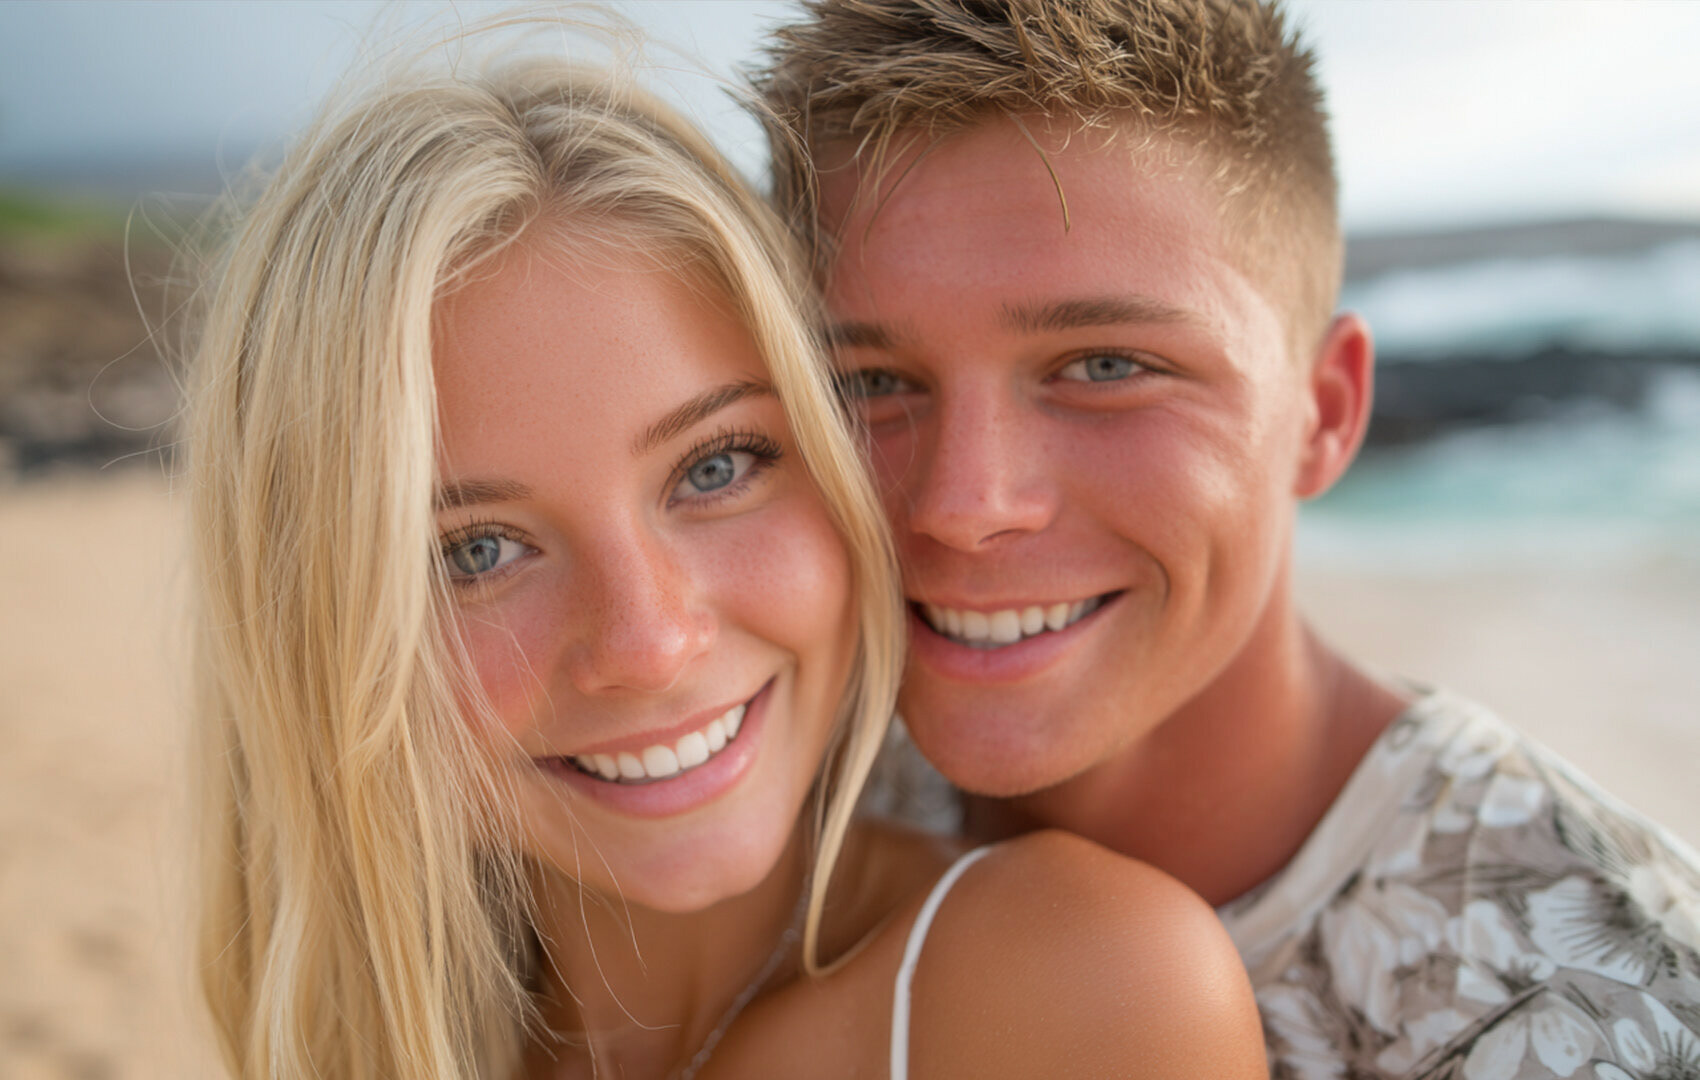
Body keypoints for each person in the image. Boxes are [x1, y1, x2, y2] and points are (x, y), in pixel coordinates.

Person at [182, 33, 1266, 1080]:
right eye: (476, 549)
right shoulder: (394, 1041)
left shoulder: (1069, 994)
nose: (646, 645)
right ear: (316, 626)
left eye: (714, 469)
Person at [755, 1, 1700, 1075]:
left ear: (1327, 412)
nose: (961, 504)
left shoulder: (1601, 1015)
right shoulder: (766, 804)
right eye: (867, 383)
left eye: (1105, 365)